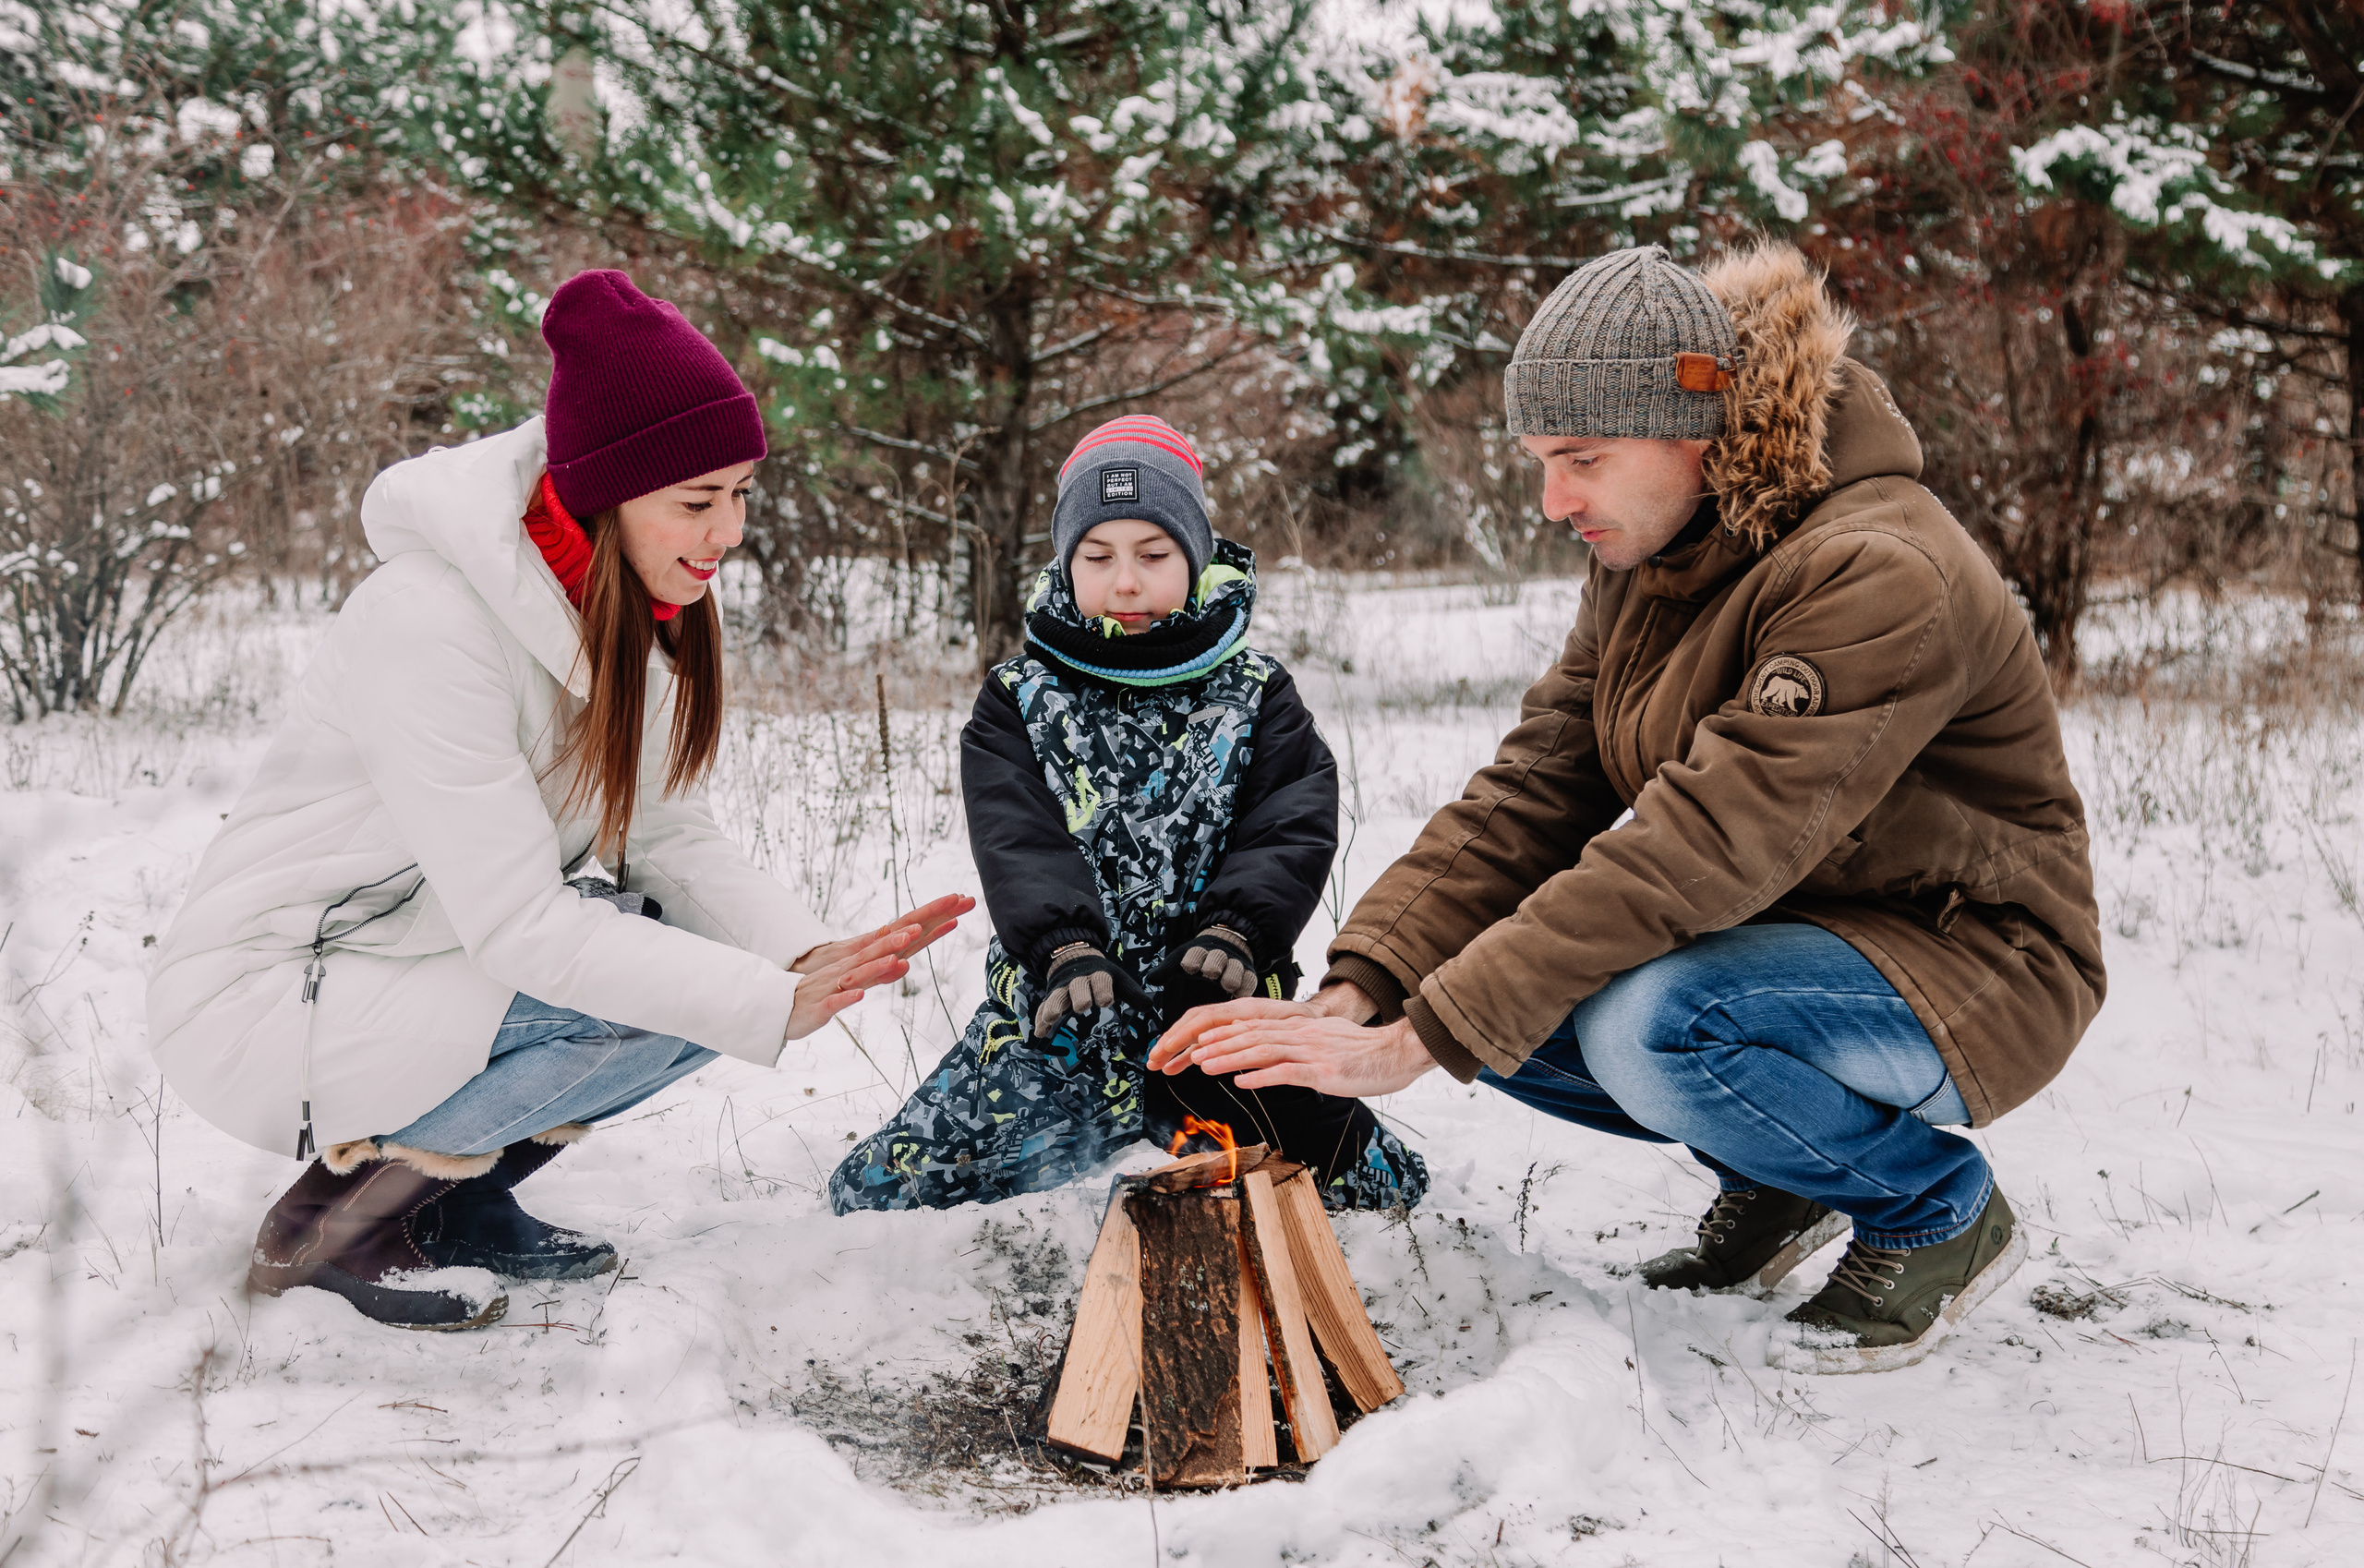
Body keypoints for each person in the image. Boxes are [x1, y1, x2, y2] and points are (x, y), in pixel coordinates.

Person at [1153, 243, 2105, 1373]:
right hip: (1789, 936)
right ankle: (1779, 1181)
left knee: (1641, 1023)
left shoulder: (1878, 567)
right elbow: (1535, 787)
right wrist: (1369, 989)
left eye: (1582, 460)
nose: (1553, 502)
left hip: (1973, 963)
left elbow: (1708, 839)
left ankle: (1932, 1209)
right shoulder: (1653, 552)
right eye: (1539, 462)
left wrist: (1432, 1032)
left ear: (1693, 431)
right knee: (1473, 987)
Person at [147, 270, 971, 1331]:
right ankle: (331, 1226)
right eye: (697, 501)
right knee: (671, 992)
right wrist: (759, 997)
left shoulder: (644, 598)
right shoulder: (428, 621)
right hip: (276, 993)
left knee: (707, 979)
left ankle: (453, 1198)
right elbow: (520, 925)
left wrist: (800, 957)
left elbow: (666, 832)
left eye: (740, 494)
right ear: (606, 494)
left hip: (415, 960)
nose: (728, 532)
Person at [829, 416, 1427, 1214]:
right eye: (1097, 556)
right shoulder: (1017, 700)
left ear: (1196, 557)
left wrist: (1237, 933)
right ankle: (1079, 1115)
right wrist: (1064, 948)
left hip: (1216, 1023)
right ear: (1065, 562)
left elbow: (1290, 825)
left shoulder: (1257, 693)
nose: (1126, 583)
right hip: (1062, 1017)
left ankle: (1233, 1125)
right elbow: (1018, 839)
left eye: (1153, 555)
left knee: (1380, 1195)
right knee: (873, 1193)